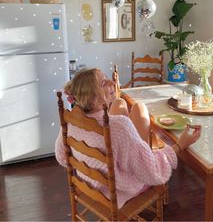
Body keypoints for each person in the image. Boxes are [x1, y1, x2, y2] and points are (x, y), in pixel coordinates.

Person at [55, 68, 201, 209]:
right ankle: (143, 148)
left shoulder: (69, 119)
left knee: (123, 104)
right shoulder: (119, 126)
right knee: (139, 108)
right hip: (117, 192)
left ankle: (138, 149)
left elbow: (62, 157)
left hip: (86, 183)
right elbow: (149, 171)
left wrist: (91, 166)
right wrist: (179, 145)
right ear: (92, 98)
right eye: (103, 83)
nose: (112, 82)